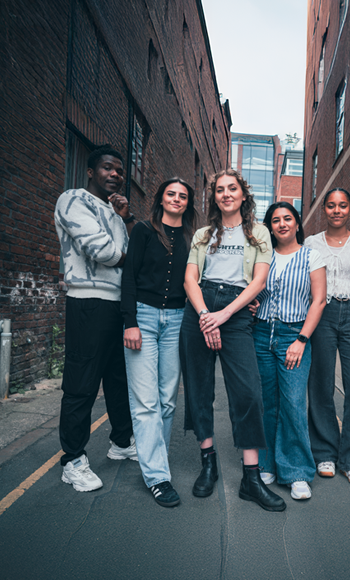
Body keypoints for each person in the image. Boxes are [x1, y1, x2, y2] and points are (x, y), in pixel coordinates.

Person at [179, 170, 285, 511]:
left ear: (243, 195)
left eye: (232, 189)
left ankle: (251, 478)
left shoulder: (259, 233)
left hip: (237, 312)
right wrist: (204, 316)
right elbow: (190, 278)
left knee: (248, 392)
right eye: (220, 190)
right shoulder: (202, 234)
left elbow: (259, 281)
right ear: (215, 197)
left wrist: (223, 316)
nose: (226, 194)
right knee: (200, 389)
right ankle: (207, 463)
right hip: (200, 307)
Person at [54, 146, 137, 492]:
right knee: (82, 383)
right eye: (107, 168)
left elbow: (127, 254)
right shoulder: (73, 200)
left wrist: (123, 219)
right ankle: (72, 460)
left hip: (117, 305)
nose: (115, 174)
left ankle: (121, 442)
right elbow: (103, 251)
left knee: (118, 380)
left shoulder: (115, 213)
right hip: (87, 301)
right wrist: (123, 257)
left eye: (119, 170)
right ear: (91, 172)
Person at [122, 178, 196, 507]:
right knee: (145, 401)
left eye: (182, 196)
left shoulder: (194, 239)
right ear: (161, 198)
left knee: (167, 400)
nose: (177, 199)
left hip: (177, 321)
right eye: (171, 194)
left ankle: (156, 460)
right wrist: (130, 323)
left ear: (187, 202)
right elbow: (129, 278)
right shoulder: (142, 230)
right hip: (144, 317)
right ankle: (157, 477)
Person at [305, 188, 350, 487]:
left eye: (343, 206)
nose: (337, 210)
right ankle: (324, 452)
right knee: (320, 386)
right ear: (324, 209)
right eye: (332, 206)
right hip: (320, 314)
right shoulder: (310, 244)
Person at [253, 202, 327, 500]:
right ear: (269, 227)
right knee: (266, 402)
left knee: (293, 402)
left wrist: (301, 339)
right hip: (260, 333)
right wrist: (252, 302)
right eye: (275, 220)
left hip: (293, 334)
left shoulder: (312, 255)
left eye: (287, 218)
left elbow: (319, 300)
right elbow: (252, 289)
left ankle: (296, 472)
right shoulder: (263, 255)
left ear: (297, 223)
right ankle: (267, 463)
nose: (282, 224)